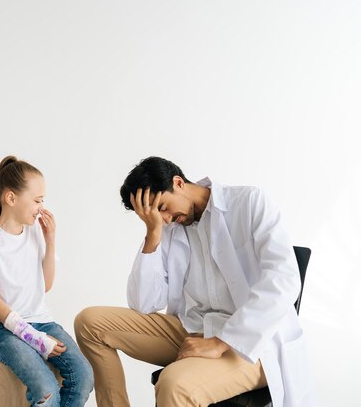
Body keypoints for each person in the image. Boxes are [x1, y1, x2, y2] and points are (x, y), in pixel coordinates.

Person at [74, 156, 314, 407]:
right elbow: (143, 303)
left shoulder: (249, 202)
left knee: (174, 384)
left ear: (178, 182)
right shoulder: (167, 227)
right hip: (192, 329)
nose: (164, 218)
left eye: (163, 207)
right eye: (153, 215)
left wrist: (219, 342)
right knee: (89, 323)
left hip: (250, 343)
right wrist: (152, 233)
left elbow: (284, 281)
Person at [0, 156, 94, 407]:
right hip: (1, 330)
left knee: (83, 376)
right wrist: (35, 339)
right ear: (11, 198)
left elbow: (45, 285)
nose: (41, 207)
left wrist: (50, 241)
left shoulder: (35, 232)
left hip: (41, 320)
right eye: (37, 200)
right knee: (46, 389)